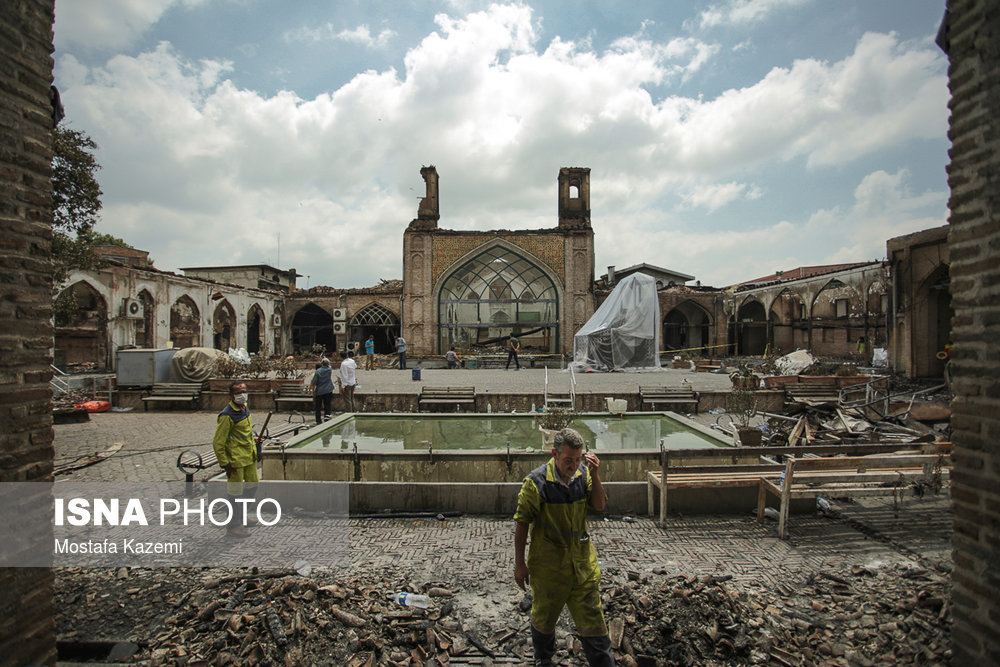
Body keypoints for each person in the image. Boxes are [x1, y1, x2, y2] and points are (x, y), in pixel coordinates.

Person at [513, 428, 614, 666]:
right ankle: (544, 659)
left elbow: (599, 505)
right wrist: (520, 564)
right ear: (554, 454)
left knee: (595, 626)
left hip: (582, 569)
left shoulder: (584, 476)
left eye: (578, 459)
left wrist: (596, 475)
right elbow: (521, 522)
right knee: (544, 619)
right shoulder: (536, 483)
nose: (574, 465)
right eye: (569, 460)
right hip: (549, 570)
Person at [212, 381, 258, 538]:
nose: (242, 395)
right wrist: (225, 463)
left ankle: (242, 516)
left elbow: (247, 432)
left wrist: (255, 442)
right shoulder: (227, 415)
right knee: (235, 494)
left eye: (244, 391)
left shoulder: (245, 408)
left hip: (249, 457)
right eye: (238, 392)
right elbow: (218, 442)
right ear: (231, 395)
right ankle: (233, 525)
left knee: (252, 486)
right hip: (235, 462)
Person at [309, 357, 334, 423]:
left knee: (318, 406)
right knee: (327, 405)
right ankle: (327, 417)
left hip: (320, 390)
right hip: (328, 389)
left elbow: (313, 383)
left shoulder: (318, 372)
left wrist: (312, 391)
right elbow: (330, 364)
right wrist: (326, 359)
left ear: (322, 364)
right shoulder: (329, 369)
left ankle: (318, 420)